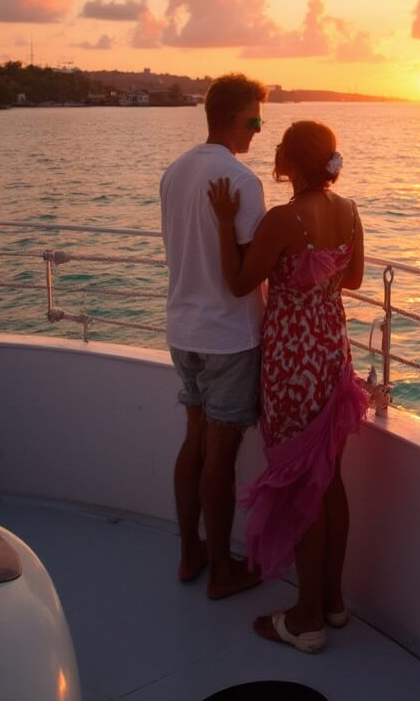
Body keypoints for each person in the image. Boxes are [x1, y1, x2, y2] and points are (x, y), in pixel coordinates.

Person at [207, 119, 368, 654]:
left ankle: (306, 620)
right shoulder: (349, 212)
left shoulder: (283, 219)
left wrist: (228, 224)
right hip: (331, 353)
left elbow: (237, 283)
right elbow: (354, 280)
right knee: (330, 479)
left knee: (302, 486)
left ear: (291, 162)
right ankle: (334, 603)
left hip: (291, 362)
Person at [160, 73, 268, 600]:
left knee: (195, 441)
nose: (259, 129)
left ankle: (187, 554)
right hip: (228, 334)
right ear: (233, 117)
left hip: (183, 327)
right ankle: (222, 569)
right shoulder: (241, 181)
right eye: (255, 119)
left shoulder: (175, 172)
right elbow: (244, 271)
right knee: (219, 457)